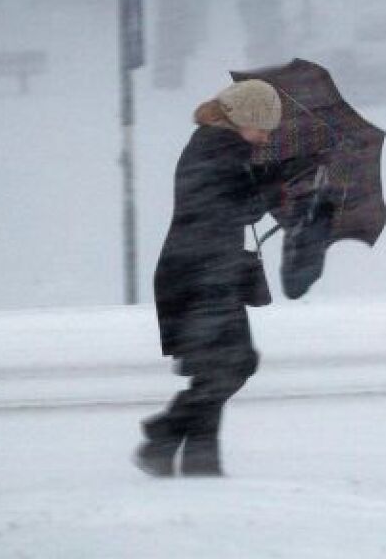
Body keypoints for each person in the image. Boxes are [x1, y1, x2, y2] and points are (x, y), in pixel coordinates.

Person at [135, 79, 283, 477]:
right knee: (233, 364)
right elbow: (244, 207)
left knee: (216, 368)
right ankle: (164, 432)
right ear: (241, 119)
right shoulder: (220, 151)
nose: (266, 135)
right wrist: (276, 184)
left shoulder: (213, 147)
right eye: (263, 127)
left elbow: (237, 204)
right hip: (201, 273)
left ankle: (198, 463)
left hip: (199, 270)